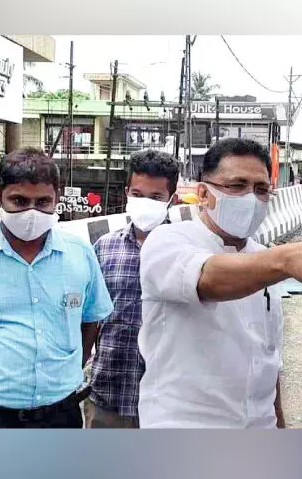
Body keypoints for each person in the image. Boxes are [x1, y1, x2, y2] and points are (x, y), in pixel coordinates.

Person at [138, 138, 302, 428]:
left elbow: (268, 357)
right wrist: (286, 260)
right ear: (203, 193)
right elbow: (207, 278)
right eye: (237, 186)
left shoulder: (264, 258)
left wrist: (279, 424)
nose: (251, 199)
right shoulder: (168, 241)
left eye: (261, 189)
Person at [0, 147, 114, 428]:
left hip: (60, 415)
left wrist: (66, 370)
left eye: (43, 202)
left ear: (57, 199)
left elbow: (90, 321)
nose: (32, 212)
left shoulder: (80, 254)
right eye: (19, 200)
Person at [84, 149, 179, 429]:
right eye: (137, 194)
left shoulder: (188, 250)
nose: (145, 203)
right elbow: (88, 318)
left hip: (168, 402)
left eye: (156, 197)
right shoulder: (104, 248)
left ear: (171, 200)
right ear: (127, 193)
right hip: (108, 395)